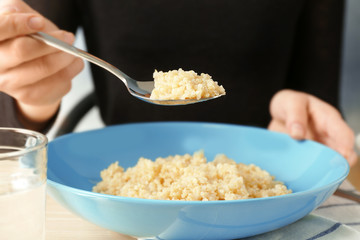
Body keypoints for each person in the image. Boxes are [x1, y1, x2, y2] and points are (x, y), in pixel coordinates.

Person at [0, 0, 357, 165]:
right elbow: (6, 124)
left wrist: (302, 120)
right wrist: (33, 99)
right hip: (122, 180)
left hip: (261, 178)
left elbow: (316, 96)